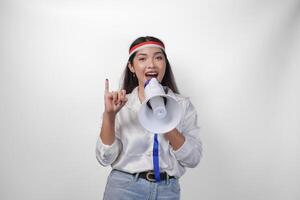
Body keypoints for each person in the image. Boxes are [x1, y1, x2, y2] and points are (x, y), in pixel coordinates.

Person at [96, 36, 202, 200]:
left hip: (167, 191)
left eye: (158, 58)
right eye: (142, 58)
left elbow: (193, 159)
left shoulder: (182, 106)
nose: (151, 64)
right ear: (131, 66)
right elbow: (105, 158)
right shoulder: (121, 105)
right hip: (124, 189)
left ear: (165, 64)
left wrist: (166, 121)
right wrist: (109, 116)